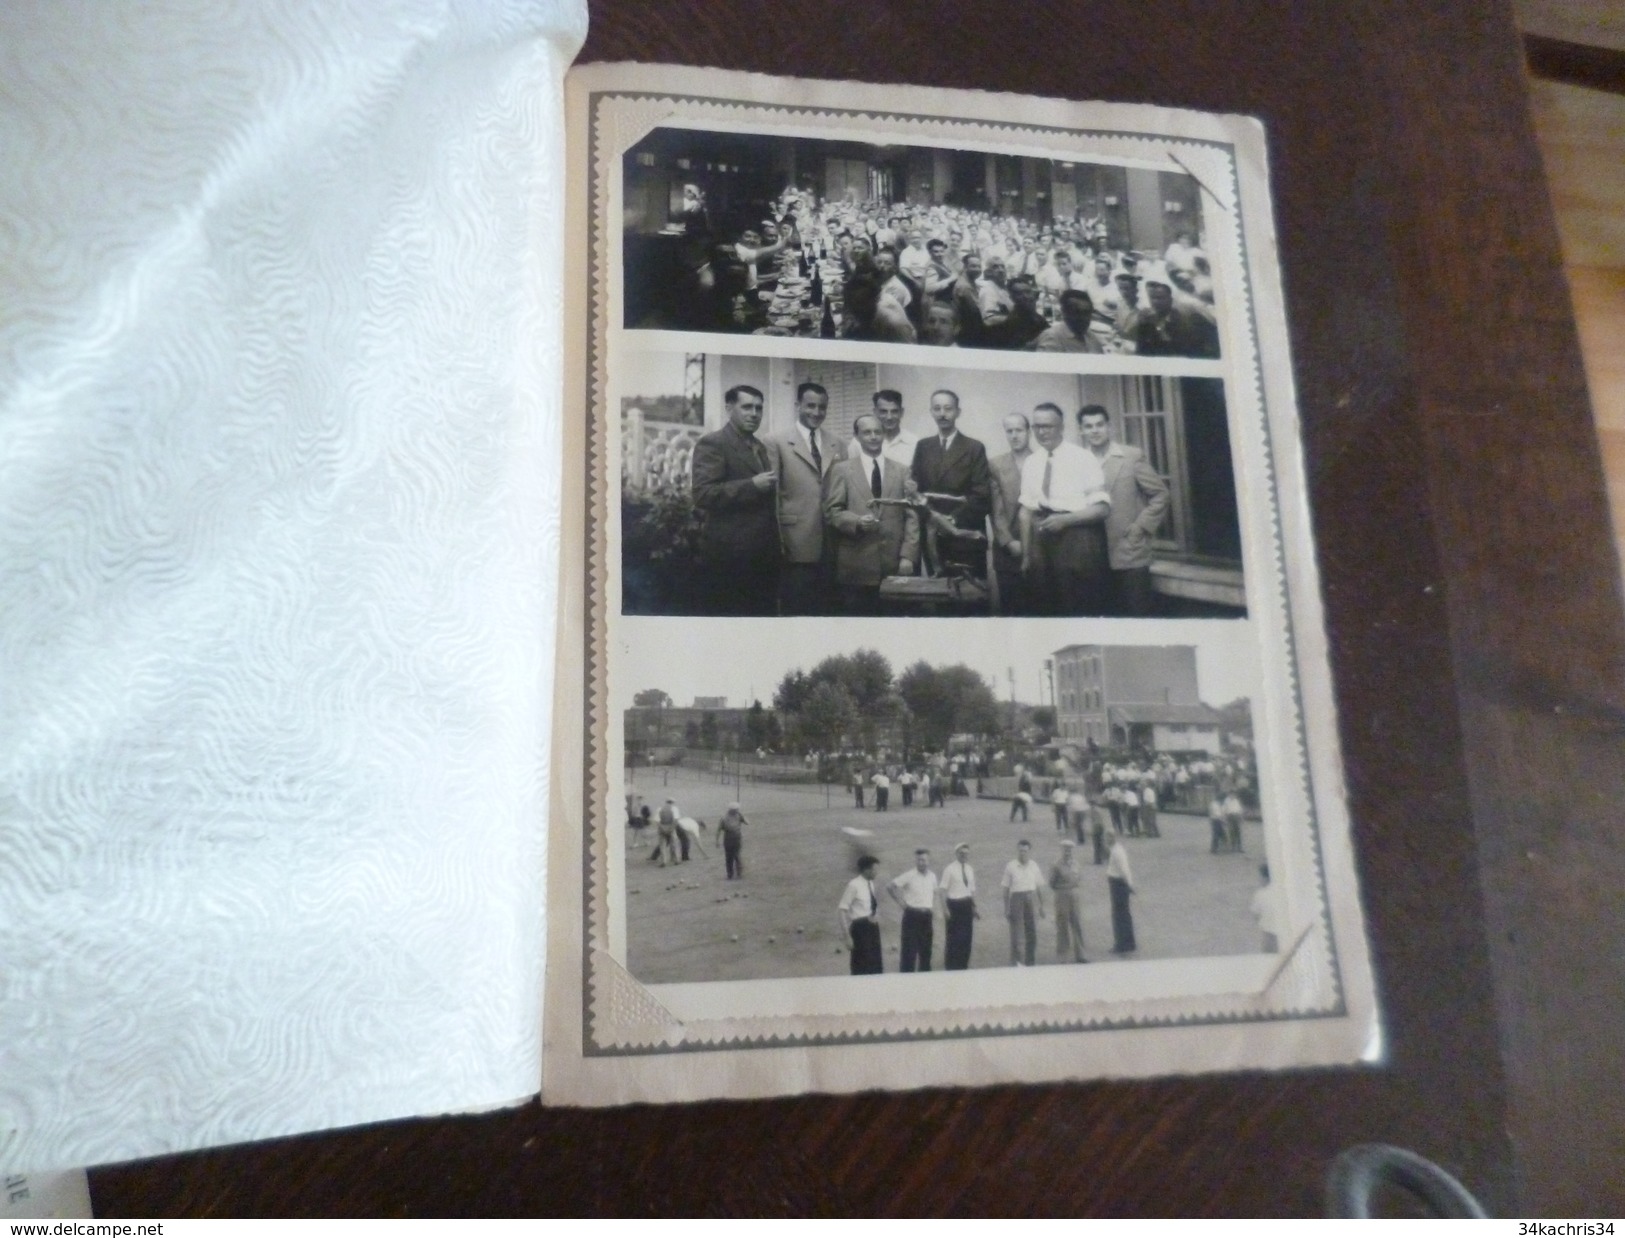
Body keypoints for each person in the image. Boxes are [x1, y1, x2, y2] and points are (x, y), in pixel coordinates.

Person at [691, 385, 780, 616]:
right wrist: (751, 485)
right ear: (729, 408)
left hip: (762, 557)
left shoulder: (759, 447)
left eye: (759, 408)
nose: (754, 414)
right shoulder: (713, 443)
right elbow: (703, 494)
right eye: (747, 407)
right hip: (730, 558)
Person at [1019, 403, 1111, 615]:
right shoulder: (1032, 462)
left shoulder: (1083, 458)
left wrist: (1065, 521)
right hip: (1043, 542)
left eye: (1048, 426)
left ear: (1062, 427)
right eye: (1037, 427)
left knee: (1079, 604)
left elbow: (1102, 509)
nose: (1041, 432)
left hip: (1079, 540)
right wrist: (1026, 556)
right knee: (1047, 606)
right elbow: (1026, 512)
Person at [824, 412, 919, 614]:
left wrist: (908, 556)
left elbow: (912, 517)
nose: (873, 436)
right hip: (856, 565)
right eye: (867, 432)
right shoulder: (842, 470)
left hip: (893, 564)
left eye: (878, 431)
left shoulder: (902, 471)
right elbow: (832, 511)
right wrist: (856, 521)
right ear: (857, 437)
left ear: (884, 434)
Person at [908, 389, 992, 575]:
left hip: (965, 535)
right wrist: (930, 516)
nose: (942, 414)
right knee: (938, 596)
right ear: (931, 412)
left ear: (958, 412)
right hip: (932, 538)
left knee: (969, 596)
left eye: (948, 408)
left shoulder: (974, 447)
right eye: (937, 408)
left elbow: (981, 494)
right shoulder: (923, 446)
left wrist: (952, 520)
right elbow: (917, 490)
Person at [774, 382, 836, 616]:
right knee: (796, 608)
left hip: (831, 541)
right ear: (797, 405)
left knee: (827, 609)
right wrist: (778, 539)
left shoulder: (837, 443)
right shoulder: (777, 442)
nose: (817, 413)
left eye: (822, 407)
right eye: (810, 406)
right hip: (794, 542)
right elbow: (773, 495)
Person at [988, 411, 1033, 616]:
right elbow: (995, 508)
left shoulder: (1042, 461)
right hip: (1007, 549)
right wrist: (1008, 541)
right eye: (1010, 431)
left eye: (1019, 430)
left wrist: (1031, 543)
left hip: (1039, 547)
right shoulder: (996, 465)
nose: (1015, 435)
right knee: (1012, 610)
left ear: (1028, 432)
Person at [1131, 263, 1220, 359]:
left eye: (1160, 298)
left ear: (1170, 298)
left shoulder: (1188, 318)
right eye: (1152, 298)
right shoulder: (1146, 321)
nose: (1156, 302)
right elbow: (1142, 351)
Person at [888, 848, 940, 972]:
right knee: (909, 953)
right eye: (919, 860)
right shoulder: (909, 875)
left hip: (926, 917)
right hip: (912, 916)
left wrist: (934, 909)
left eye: (924, 860)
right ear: (916, 861)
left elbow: (935, 893)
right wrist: (902, 904)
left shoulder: (933, 876)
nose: (922, 862)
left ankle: (925, 983)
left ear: (928, 861)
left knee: (926, 953)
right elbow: (890, 887)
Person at [1001, 840, 1046, 967]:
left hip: (1030, 899)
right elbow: (1005, 889)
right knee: (1017, 933)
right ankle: (1017, 963)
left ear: (1029, 851)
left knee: (1031, 932)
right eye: (1020, 850)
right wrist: (1006, 908)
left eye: (1025, 851)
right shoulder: (1011, 866)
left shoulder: (1034, 865)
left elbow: (1039, 887)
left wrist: (1042, 905)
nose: (1023, 853)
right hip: (1016, 899)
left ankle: (1030, 962)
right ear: (1017, 850)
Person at [847, 389, 917, 470]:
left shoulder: (913, 443)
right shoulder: (858, 443)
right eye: (883, 411)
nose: (889, 417)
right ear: (875, 412)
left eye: (894, 411)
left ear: (901, 412)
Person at [838, 855, 884, 975]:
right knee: (862, 965)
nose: (877, 872)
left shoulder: (870, 884)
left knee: (876, 964)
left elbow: (871, 905)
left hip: (873, 929)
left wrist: (875, 916)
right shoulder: (854, 885)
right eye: (875, 870)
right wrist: (847, 937)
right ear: (866, 870)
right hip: (860, 930)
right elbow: (842, 910)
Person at [940, 842, 977, 969]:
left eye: (966, 854)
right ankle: (951, 967)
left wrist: (974, 907)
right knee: (953, 939)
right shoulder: (949, 869)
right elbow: (942, 890)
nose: (964, 856)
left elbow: (971, 890)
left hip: (966, 906)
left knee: (966, 938)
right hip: (954, 906)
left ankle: (963, 966)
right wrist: (945, 910)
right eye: (961, 853)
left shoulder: (970, 869)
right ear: (956, 854)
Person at [1050, 839, 1088, 963]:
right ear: (1062, 850)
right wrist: (1063, 890)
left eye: (1070, 849)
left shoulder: (1076, 864)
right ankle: (1062, 955)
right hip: (1062, 895)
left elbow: (1079, 879)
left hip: (1074, 896)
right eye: (1065, 849)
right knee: (1062, 924)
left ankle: (1081, 954)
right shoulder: (1056, 865)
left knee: (1077, 924)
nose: (1068, 852)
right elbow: (1052, 883)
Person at [985, 274, 1046, 350]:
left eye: (1028, 292)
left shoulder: (1038, 319)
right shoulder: (1008, 325)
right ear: (1011, 298)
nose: (1025, 296)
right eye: (1019, 294)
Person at [1032, 289, 1104, 353]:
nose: (1084, 318)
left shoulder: (1089, 336)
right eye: (1077, 312)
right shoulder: (1052, 337)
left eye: (1087, 312)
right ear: (1064, 313)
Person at [1104, 828, 1137, 954]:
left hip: (1118, 884)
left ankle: (1121, 944)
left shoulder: (1117, 852)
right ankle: (1129, 942)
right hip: (1118, 883)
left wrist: (1129, 885)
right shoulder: (1117, 850)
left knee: (1119, 915)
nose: (1107, 840)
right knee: (1124, 914)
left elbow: (1124, 870)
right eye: (1106, 837)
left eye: (1109, 837)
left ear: (1114, 838)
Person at [1251, 863, 1280, 953]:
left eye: (1260, 877)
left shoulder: (1260, 894)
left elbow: (1256, 914)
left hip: (1269, 933)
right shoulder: (1282, 891)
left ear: (1266, 878)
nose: (1259, 879)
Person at [716, 802, 747, 879]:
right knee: (730, 857)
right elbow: (718, 830)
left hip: (736, 839)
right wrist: (717, 841)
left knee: (736, 856)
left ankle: (737, 873)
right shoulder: (724, 818)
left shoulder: (738, 815)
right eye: (736, 809)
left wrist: (742, 816)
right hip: (729, 839)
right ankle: (730, 874)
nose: (737, 810)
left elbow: (747, 822)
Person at [655, 798, 681, 866]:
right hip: (671, 827)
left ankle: (663, 861)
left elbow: (657, 821)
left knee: (662, 845)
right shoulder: (674, 809)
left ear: (666, 802)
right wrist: (671, 829)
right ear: (672, 802)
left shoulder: (660, 809)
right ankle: (676, 860)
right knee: (674, 844)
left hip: (662, 828)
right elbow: (676, 820)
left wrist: (662, 828)